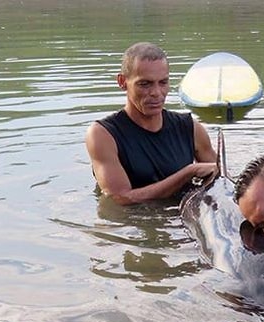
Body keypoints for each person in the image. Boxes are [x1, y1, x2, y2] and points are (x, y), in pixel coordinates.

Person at [85, 42, 217, 205]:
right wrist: (189, 172)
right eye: (144, 84)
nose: (156, 93)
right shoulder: (102, 134)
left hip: (183, 219)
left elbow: (221, 178)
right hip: (133, 226)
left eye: (163, 83)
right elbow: (120, 198)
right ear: (122, 82)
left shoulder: (190, 128)